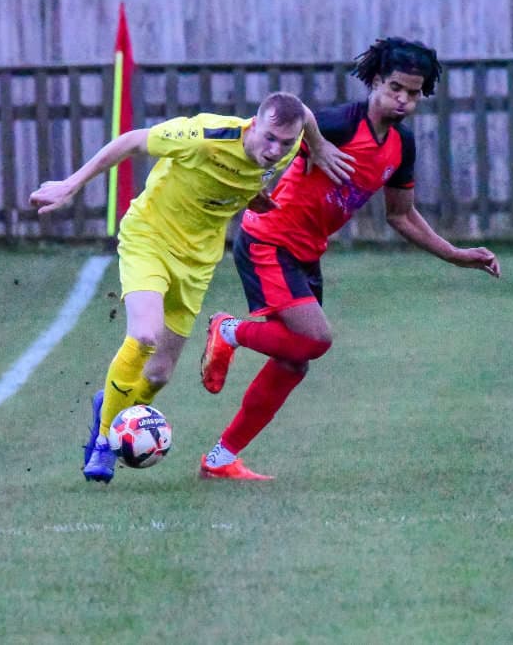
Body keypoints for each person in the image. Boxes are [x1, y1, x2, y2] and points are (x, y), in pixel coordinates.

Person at [198, 37, 501, 480]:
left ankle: (220, 459)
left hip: (307, 253)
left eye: (414, 93)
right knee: (316, 339)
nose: (403, 99)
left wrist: (454, 254)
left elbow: (401, 215)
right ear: (375, 81)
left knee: (294, 361)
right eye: (395, 88)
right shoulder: (339, 124)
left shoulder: (401, 145)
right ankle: (228, 330)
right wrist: (315, 147)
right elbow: (287, 121)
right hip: (269, 241)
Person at [29, 91, 354, 484]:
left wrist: (314, 147)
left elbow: (302, 114)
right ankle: (104, 442)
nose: (275, 150)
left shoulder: (288, 144)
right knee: (144, 335)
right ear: (254, 124)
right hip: (149, 239)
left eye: (286, 143)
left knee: (158, 376)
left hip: (197, 262)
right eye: (269, 138)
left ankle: (110, 405)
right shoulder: (204, 135)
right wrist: (71, 184)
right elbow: (132, 141)